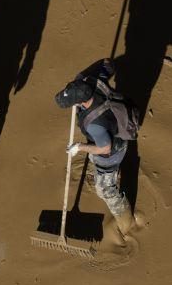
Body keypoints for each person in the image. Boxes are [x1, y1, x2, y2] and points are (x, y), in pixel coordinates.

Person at [54, 59, 138, 237]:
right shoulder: (93, 81)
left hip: (112, 151)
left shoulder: (95, 125)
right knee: (96, 159)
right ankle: (108, 174)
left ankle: (127, 223)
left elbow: (105, 148)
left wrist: (80, 147)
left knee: (105, 190)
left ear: (82, 102)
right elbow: (107, 64)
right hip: (112, 128)